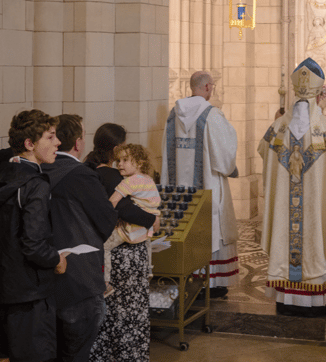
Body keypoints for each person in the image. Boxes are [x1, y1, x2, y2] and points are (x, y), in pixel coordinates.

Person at [258, 58, 326, 316]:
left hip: (285, 212)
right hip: (316, 213)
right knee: (319, 236)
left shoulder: (276, 130)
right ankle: (319, 299)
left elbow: (263, 155)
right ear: (319, 93)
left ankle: (288, 299)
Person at [0, 110, 68, 362]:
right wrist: (56, 259)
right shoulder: (35, 184)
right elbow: (34, 244)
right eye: (50, 137)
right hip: (27, 300)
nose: (58, 143)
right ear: (29, 144)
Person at [41, 114, 117, 362]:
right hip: (78, 279)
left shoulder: (37, 169)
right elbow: (106, 219)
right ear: (77, 143)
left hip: (41, 278)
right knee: (75, 353)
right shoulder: (80, 174)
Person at [160, 70, 239, 298]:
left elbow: (165, 153)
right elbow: (225, 154)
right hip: (208, 186)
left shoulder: (173, 115)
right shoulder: (211, 115)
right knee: (212, 228)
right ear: (207, 87)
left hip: (178, 192)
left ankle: (185, 276)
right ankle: (212, 282)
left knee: (184, 226)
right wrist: (230, 168)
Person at [87, 124, 159, 362]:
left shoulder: (87, 167)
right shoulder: (110, 175)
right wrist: (153, 219)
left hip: (108, 252)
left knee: (108, 317)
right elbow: (127, 209)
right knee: (128, 316)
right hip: (125, 252)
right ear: (117, 149)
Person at [105, 143, 160, 294]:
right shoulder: (148, 179)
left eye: (125, 160)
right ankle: (148, 271)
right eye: (118, 160)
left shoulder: (129, 182)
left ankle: (105, 282)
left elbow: (113, 202)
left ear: (139, 162)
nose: (120, 164)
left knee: (104, 246)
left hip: (130, 229)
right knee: (148, 246)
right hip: (146, 230)